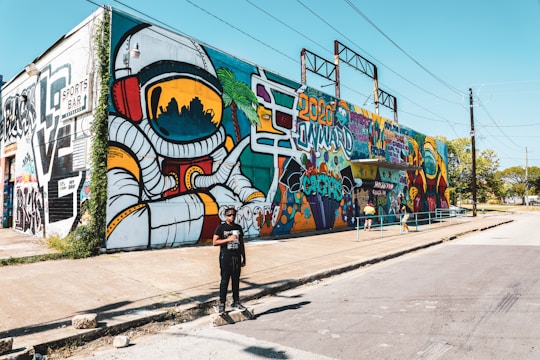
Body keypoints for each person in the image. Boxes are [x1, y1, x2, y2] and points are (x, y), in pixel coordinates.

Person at [213, 207, 246, 313]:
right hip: (225, 257)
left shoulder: (238, 227)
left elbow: (241, 243)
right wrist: (228, 239)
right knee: (224, 281)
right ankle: (222, 304)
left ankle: (236, 302)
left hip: (236, 257)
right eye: (230, 215)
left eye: (234, 215)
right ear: (225, 216)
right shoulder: (221, 227)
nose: (232, 217)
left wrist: (244, 257)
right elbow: (215, 242)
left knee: (236, 280)